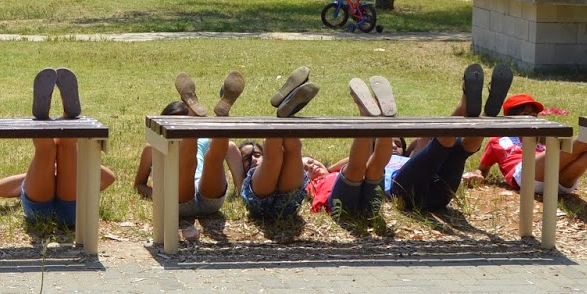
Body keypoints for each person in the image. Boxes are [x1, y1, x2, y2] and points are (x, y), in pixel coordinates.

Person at [0, 68, 116, 226]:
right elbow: (109, 178)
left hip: (39, 212)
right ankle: (67, 118)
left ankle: (44, 120)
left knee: (45, 151)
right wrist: (64, 167)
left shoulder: (33, 178)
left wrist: (47, 170)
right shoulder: (79, 177)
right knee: (67, 147)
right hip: (71, 210)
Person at [386, 62, 513, 212]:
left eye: (398, 143)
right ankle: (483, 113)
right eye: (388, 144)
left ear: (405, 148)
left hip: (438, 194)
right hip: (407, 195)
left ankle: (477, 109)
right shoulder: (378, 161)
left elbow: (424, 140)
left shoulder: (411, 157)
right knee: (442, 147)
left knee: (457, 149)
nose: (393, 146)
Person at [131, 69, 249, 219]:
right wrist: (160, 194)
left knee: (213, 160)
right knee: (193, 162)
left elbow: (224, 150)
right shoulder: (152, 147)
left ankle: (221, 117)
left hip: (207, 194)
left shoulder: (201, 141)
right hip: (180, 198)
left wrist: (239, 187)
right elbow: (139, 185)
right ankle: (213, 120)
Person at [303, 76, 400, 218]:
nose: (311, 166)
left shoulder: (332, 172)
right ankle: (375, 119)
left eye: (311, 162)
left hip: (365, 203)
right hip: (343, 207)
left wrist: (329, 169)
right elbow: (355, 163)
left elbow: (362, 157)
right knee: (359, 169)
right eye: (305, 169)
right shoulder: (310, 186)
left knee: (374, 167)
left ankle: (384, 123)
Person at [238, 69, 323, 223]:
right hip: (284, 203)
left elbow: (270, 156)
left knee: (275, 157)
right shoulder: (241, 175)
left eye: (257, 154)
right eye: (247, 158)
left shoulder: (270, 158)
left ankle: (283, 116)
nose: (253, 159)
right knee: (291, 151)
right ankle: (284, 115)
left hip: (263, 201)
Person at [478, 91, 587, 197]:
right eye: (525, 114)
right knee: (578, 142)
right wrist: (476, 175)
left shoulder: (540, 135)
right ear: (509, 117)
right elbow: (482, 169)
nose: (530, 118)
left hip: (559, 181)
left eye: (533, 115)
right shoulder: (497, 140)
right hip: (526, 176)